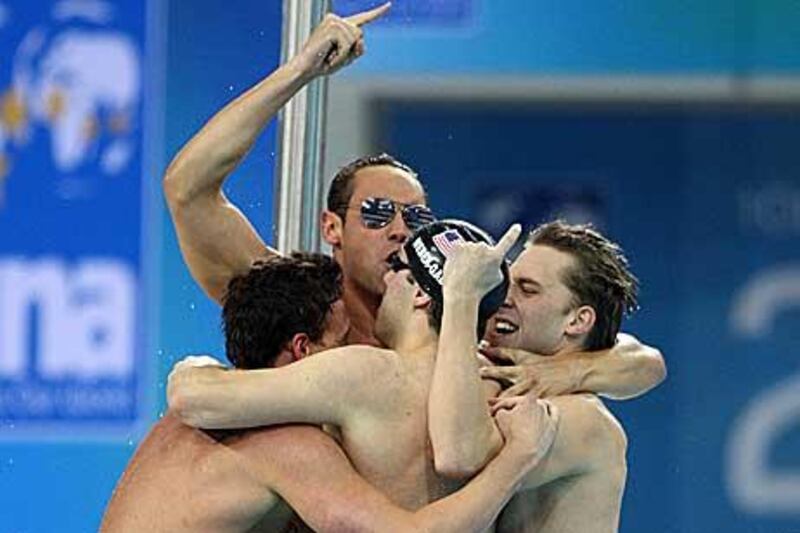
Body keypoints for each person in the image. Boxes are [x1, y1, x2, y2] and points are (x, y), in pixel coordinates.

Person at [161, 0, 666, 393]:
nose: (401, 229)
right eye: (378, 214)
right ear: (331, 227)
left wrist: (571, 375)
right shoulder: (286, 303)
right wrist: (299, 72)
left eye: (416, 217)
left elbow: (641, 362)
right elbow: (188, 188)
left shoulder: (451, 323)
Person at [101, 253, 558, 532]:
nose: (357, 347)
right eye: (343, 342)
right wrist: (518, 457)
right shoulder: (286, 442)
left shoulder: (215, 411)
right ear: (303, 350)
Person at [429, 220, 650, 532]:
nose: (504, 297)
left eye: (528, 290)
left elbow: (459, 453)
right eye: (507, 282)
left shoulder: (587, 421)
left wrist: (461, 298)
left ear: (577, 321)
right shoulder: (500, 374)